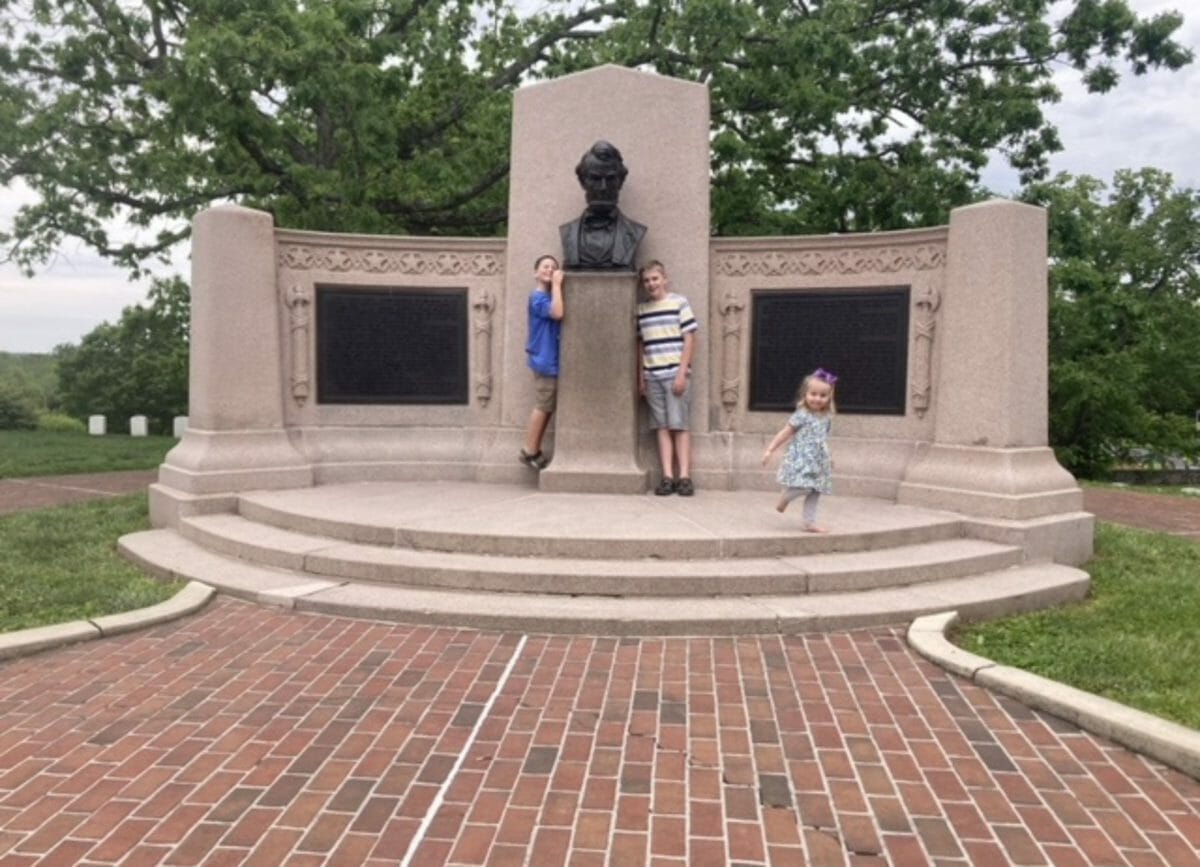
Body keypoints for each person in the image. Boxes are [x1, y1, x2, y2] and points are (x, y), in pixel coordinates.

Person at [636, 260, 699, 496]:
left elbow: (690, 338)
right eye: (647, 281)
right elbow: (641, 345)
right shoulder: (641, 310)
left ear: (664, 279)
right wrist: (641, 377)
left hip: (675, 373)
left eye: (655, 279)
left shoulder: (679, 302)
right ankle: (667, 476)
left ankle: (684, 476)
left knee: (679, 425)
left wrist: (683, 372)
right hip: (652, 374)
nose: (651, 284)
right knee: (661, 427)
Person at [761, 368, 837, 532]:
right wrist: (770, 449)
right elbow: (785, 432)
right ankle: (787, 496)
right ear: (805, 394)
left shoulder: (826, 418)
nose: (817, 399)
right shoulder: (802, 414)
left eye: (823, 396)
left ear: (829, 397)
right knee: (806, 487)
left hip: (818, 460)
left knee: (816, 490)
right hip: (803, 458)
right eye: (813, 394)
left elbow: (823, 440)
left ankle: (809, 522)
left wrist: (829, 457)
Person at [559, 140, 647, 271]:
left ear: (621, 182)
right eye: (595, 179)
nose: (603, 188)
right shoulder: (567, 232)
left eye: (610, 179)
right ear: (582, 181)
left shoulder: (635, 232)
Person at [520, 254, 566, 470]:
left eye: (554, 267)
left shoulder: (547, 296)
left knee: (548, 406)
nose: (550, 269)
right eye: (545, 266)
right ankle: (529, 450)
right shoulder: (538, 297)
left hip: (552, 359)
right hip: (544, 360)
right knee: (543, 404)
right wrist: (557, 284)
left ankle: (534, 449)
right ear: (536, 273)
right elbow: (557, 313)